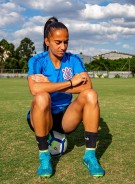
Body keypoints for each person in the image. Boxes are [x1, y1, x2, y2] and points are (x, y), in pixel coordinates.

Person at [26, 17, 104, 178]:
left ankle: (90, 156)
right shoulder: (37, 60)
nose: (63, 47)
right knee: (42, 97)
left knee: (91, 95)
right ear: (47, 41)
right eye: (58, 42)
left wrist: (51, 84)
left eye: (66, 42)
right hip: (42, 115)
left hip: (65, 117)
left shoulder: (73, 59)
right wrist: (70, 82)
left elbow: (87, 86)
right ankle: (44, 156)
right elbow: (35, 89)